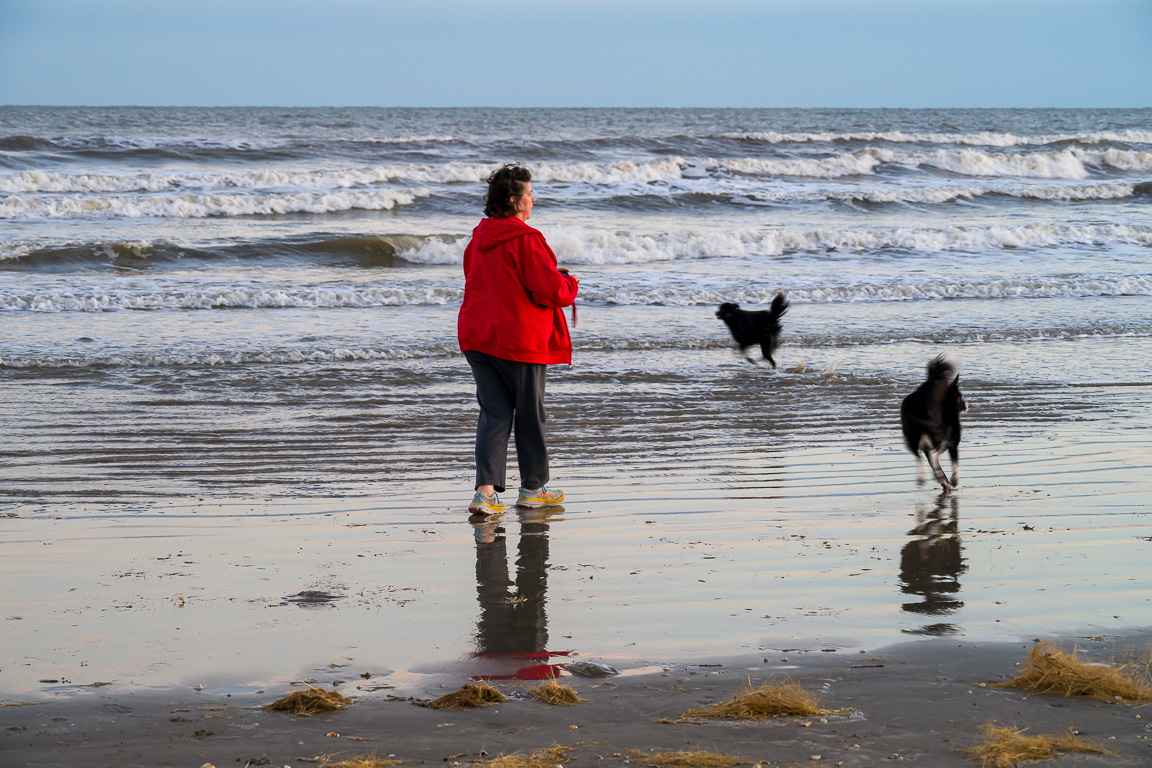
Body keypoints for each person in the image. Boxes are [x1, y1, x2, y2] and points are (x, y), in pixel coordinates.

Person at [458, 164, 579, 514]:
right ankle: (533, 488)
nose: (534, 198)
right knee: (529, 413)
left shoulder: (479, 237)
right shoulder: (526, 239)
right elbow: (551, 291)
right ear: (514, 200)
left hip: (477, 336)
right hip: (517, 339)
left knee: (494, 414)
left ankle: (485, 494)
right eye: (529, 193)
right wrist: (569, 281)